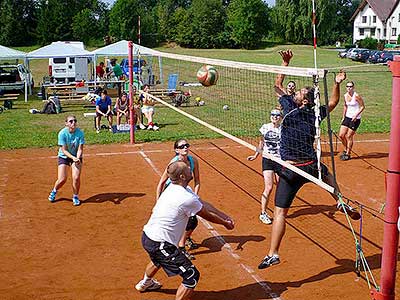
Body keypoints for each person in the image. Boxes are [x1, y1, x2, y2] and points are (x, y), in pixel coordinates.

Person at [258, 50, 361, 270]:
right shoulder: (315, 113)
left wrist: (285, 63)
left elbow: (277, 84)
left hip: (290, 169)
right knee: (329, 176)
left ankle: (273, 253)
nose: (294, 92)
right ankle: (340, 201)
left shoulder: (288, 107)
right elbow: (333, 103)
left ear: (302, 100)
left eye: (299, 93)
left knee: (279, 213)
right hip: (310, 165)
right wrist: (336, 83)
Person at [135, 161, 234, 299]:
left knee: (158, 261)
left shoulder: (178, 189)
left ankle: (145, 283)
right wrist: (225, 223)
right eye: (187, 169)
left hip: (148, 236)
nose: (190, 169)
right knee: (191, 275)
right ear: (182, 176)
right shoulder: (185, 198)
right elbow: (205, 213)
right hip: (160, 243)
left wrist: (224, 215)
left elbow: (201, 202)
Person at [156, 139, 201, 259]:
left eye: (187, 145)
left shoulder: (193, 161)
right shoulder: (174, 164)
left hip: (184, 191)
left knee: (192, 220)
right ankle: (179, 247)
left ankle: (184, 240)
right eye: (182, 146)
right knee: (179, 220)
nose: (185, 147)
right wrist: (158, 201)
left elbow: (197, 180)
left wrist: (195, 196)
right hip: (172, 192)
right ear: (176, 150)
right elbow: (161, 183)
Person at [247, 109, 282, 225]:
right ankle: (263, 213)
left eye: (277, 115)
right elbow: (261, 143)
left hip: (280, 161)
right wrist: (255, 155)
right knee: (269, 187)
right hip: (267, 160)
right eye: (272, 115)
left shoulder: (283, 129)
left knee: (281, 186)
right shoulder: (265, 127)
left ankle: (279, 210)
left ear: (280, 117)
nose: (274, 117)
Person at [48, 115, 85, 206]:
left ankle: (75, 196)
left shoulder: (80, 133)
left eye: (75, 121)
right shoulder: (62, 133)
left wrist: (77, 158)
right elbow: (64, 150)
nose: (73, 123)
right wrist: (73, 158)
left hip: (76, 156)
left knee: (76, 178)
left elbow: (80, 149)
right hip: (64, 156)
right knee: (62, 179)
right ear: (66, 123)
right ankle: (54, 191)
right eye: (71, 121)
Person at [338, 81, 365, 161]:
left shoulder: (356, 96)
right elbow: (345, 106)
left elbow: (362, 106)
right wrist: (343, 117)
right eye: (347, 86)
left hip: (355, 119)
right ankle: (346, 149)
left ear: (353, 87)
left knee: (349, 136)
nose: (349, 88)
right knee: (341, 135)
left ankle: (348, 153)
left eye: (350, 86)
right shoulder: (345, 96)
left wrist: (356, 115)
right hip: (347, 117)